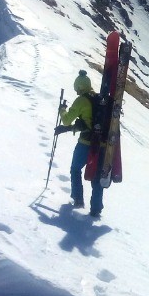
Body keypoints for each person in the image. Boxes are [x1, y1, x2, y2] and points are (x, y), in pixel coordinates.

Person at [58, 70, 101, 212]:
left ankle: (78, 200)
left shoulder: (81, 100)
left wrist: (62, 110)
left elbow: (66, 120)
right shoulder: (98, 98)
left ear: (79, 87)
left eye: (77, 89)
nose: (76, 92)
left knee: (75, 169)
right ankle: (96, 209)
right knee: (97, 176)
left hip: (85, 143)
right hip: (102, 144)